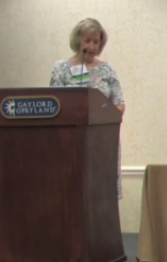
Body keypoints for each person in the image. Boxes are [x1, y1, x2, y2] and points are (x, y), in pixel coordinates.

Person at [50, 18, 125, 200]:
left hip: (102, 139)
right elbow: (54, 105)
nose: (91, 46)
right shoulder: (61, 69)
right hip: (71, 139)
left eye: (96, 42)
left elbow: (120, 104)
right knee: (74, 192)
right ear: (78, 41)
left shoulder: (106, 69)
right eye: (87, 40)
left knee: (101, 193)